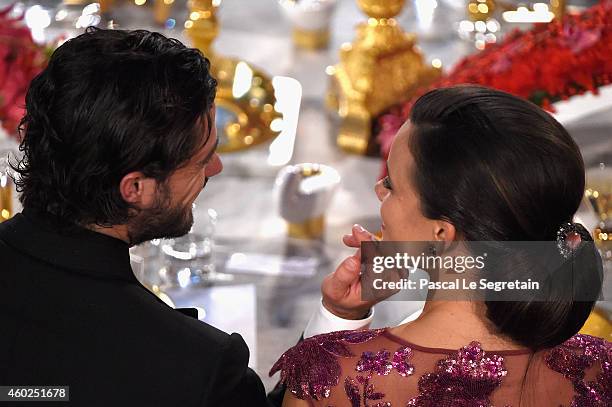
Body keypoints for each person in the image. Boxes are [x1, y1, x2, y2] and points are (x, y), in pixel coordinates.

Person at [0, 27, 377, 406]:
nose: (216, 167)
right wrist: (340, 317)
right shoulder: (196, 371)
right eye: (201, 159)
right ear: (135, 189)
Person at [272, 85, 611, 406]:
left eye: (391, 184)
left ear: (441, 233)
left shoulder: (336, 379)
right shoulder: (600, 370)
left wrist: (338, 324)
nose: (378, 191)